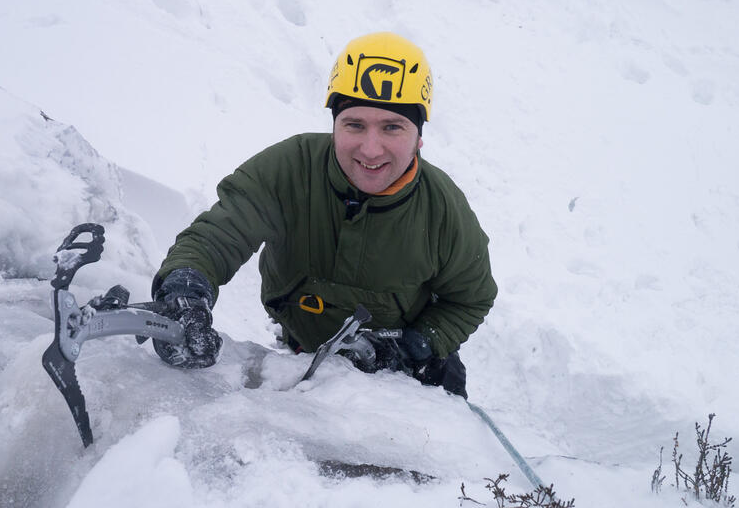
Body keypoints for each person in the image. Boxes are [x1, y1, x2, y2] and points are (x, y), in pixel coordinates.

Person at [150, 32, 497, 398]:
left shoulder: (442, 208)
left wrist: (420, 345)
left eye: (392, 127)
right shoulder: (290, 169)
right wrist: (185, 288)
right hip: (305, 357)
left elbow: (471, 298)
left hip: (407, 379)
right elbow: (218, 236)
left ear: (419, 137)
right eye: (355, 124)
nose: (371, 148)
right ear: (335, 126)